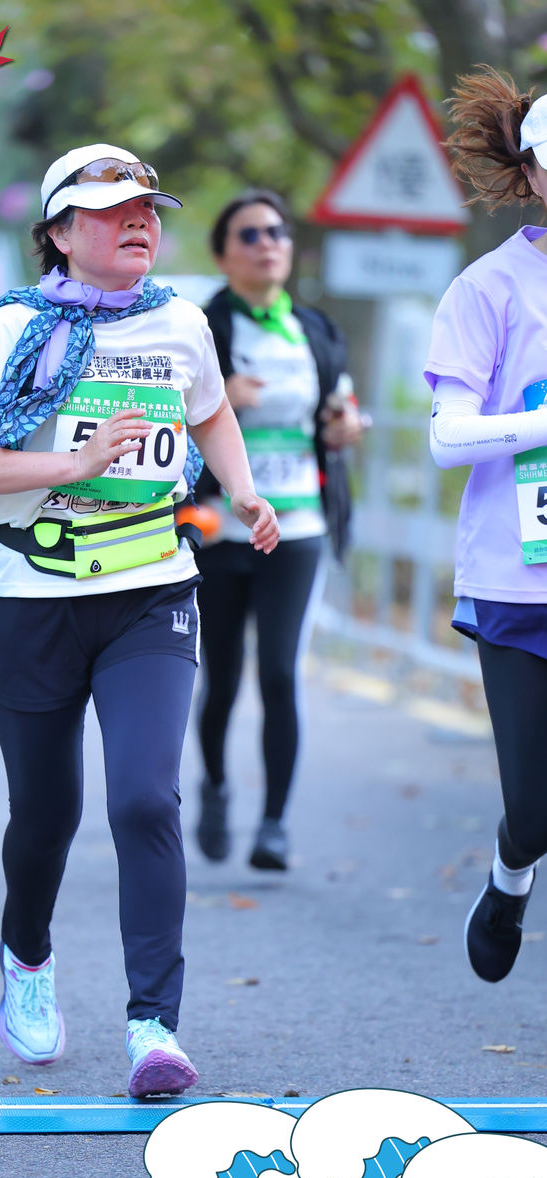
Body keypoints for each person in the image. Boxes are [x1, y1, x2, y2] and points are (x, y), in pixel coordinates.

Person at [0, 144, 279, 1097]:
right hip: (28, 598)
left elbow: (209, 414)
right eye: (113, 208)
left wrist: (242, 489)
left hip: (149, 591)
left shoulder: (180, 321)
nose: (138, 222)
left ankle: (153, 1026)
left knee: (143, 800)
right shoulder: (9, 330)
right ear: (57, 232)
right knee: (46, 816)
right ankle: (27, 956)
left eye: (148, 209)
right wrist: (72, 467)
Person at [194, 191, 362, 869]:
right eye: (250, 234)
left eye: (277, 232)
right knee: (222, 677)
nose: (267, 244)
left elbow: (342, 405)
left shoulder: (313, 328)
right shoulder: (202, 329)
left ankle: (273, 825)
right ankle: (214, 786)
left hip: (298, 527)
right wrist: (217, 404)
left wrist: (348, 427)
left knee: (279, 673)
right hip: (219, 530)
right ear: (222, 254)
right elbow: (160, 417)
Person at [425, 67, 547, 983]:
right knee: (534, 809)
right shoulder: (488, 288)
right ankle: (510, 876)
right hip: (519, 579)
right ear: (531, 172)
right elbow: (446, 439)